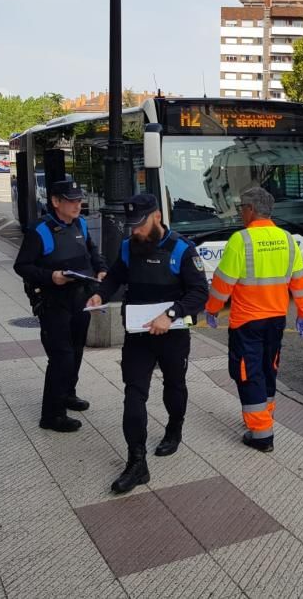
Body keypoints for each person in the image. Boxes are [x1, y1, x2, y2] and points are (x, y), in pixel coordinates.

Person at [87, 194, 208, 494]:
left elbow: (199, 294)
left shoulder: (181, 248)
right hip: (138, 335)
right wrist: (101, 293)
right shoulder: (130, 247)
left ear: (156, 216)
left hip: (173, 334)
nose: (134, 231)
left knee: (174, 385)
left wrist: (171, 314)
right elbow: (115, 276)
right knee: (133, 393)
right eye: (131, 225)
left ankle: (174, 429)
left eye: (139, 224)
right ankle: (137, 462)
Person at [204, 187, 303, 452]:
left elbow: (222, 283)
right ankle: (264, 416)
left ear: (251, 210)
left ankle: (261, 433)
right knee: (267, 369)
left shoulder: (241, 240)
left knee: (248, 373)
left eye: (242, 207)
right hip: (276, 320)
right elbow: (299, 282)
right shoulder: (287, 239)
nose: (241, 212)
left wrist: (212, 308)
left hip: (247, 322)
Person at [13, 180, 106, 432]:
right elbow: (22, 266)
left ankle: (67, 393)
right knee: (61, 357)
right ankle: (51, 415)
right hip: (54, 302)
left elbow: (92, 252)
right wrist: (51, 276)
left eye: (79, 200)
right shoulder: (40, 230)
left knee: (76, 351)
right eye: (72, 200)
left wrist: (101, 269)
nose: (78, 205)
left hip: (80, 298)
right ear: (55, 202)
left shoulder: (80, 224)